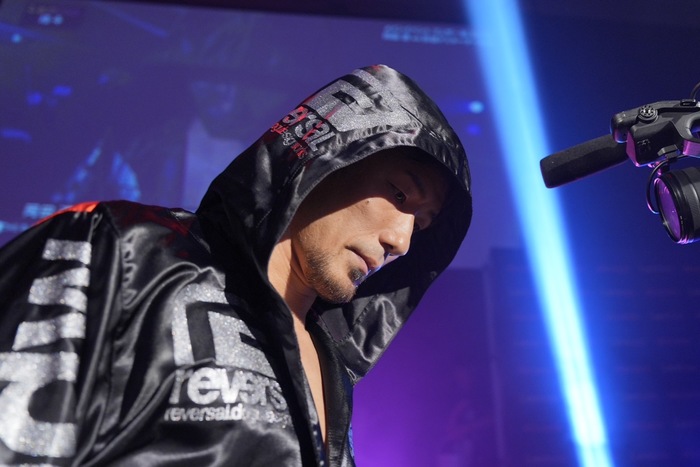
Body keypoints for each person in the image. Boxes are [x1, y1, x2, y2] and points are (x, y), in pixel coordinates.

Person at [0, 64, 472, 466]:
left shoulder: (334, 366)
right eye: (399, 194)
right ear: (326, 158)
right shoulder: (124, 249)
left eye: (421, 224)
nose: (401, 241)